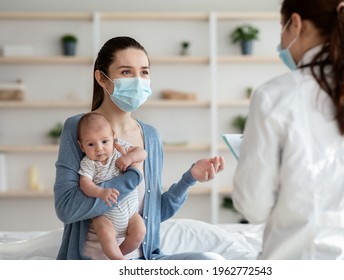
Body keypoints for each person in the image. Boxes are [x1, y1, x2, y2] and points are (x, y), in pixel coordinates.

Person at [233, 0, 344, 260]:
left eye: (281, 28)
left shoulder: (275, 97)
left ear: (295, 23)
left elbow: (254, 207)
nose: (282, 43)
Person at [54, 36, 225, 260]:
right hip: (93, 261)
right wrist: (131, 176)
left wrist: (189, 178)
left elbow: (156, 213)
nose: (138, 80)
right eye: (126, 72)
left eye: (144, 72)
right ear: (102, 79)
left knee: (212, 262)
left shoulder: (151, 136)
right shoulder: (79, 129)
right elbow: (67, 209)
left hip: (145, 259)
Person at [77, 112, 147, 260]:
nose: (99, 149)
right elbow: (84, 184)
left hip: (130, 213)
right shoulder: (89, 163)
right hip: (105, 215)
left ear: (113, 136)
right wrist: (100, 192)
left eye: (104, 141)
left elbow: (142, 153)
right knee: (104, 232)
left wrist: (129, 157)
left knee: (140, 232)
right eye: (91, 144)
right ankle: (118, 260)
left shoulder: (119, 148)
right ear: (81, 146)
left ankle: (118, 255)